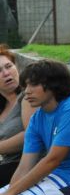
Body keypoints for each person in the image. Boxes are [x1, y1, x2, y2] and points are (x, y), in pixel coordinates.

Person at [1, 60, 70, 195]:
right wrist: (11, 190)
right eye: (25, 86)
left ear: (54, 84)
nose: (27, 92)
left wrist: (11, 193)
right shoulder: (36, 119)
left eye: (33, 84)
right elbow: (24, 167)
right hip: (53, 176)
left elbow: (53, 159)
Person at [0, 46, 36, 187]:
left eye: (9, 66)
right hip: (7, 164)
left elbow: (31, 135)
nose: (6, 73)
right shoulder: (3, 106)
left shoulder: (28, 96)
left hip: (26, 165)